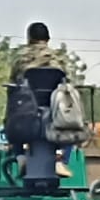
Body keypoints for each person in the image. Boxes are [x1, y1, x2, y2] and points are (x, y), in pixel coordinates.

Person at [9, 21, 74, 179]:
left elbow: (13, 84)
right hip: (56, 112)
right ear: (48, 38)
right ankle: (62, 159)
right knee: (73, 127)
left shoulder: (21, 59)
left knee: (12, 127)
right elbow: (70, 84)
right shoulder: (60, 59)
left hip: (26, 113)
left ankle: (21, 157)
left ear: (29, 38)